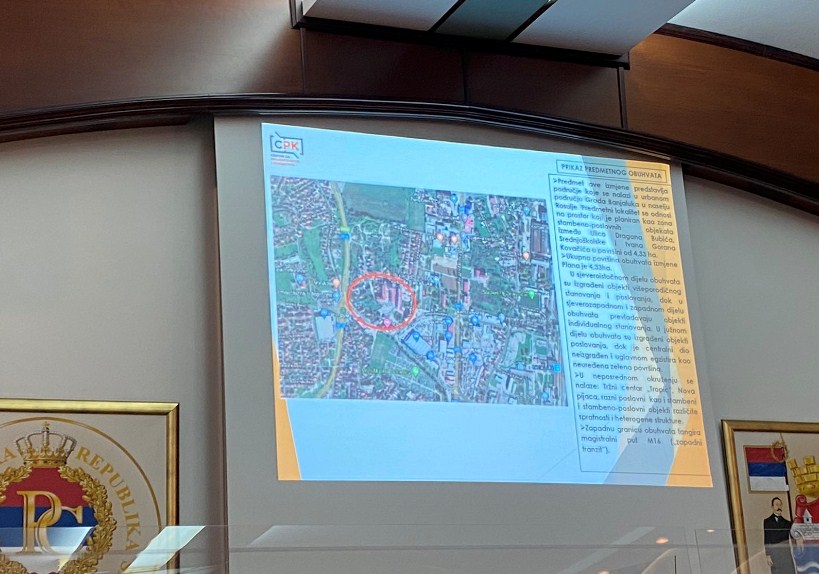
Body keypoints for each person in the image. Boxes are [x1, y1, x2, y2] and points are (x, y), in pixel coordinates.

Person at [764, 496, 795, 574]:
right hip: (775, 554)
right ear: (772, 507)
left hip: (786, 554)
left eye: (780, 504)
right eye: (777, 504)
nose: (779, 506)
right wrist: (768, 555)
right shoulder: (767, 522)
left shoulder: (787, 523)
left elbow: (793, 538)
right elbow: (767, 539)